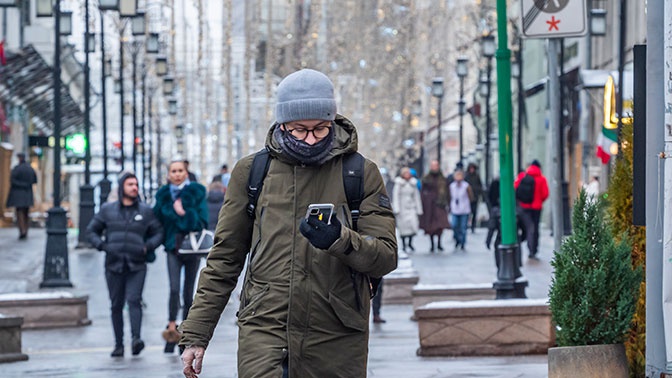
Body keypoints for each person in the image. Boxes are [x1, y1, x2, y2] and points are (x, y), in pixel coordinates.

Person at [178, 68, 397, 378]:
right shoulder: (252, 172)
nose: (310, 138)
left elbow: (386, 257)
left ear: (332, 121)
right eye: (299, 129)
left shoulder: (359, 173)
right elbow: (225, 258)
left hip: (337, 333)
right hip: (265, 327)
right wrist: (197, 334)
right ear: (281, 124)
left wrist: (339, 239)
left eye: (320, 128)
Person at [86, 172, 164, 357]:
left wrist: (147, 247)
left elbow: (158, 232)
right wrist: (103, 246)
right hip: (113, 264)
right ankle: (118, 344)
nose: (134, 187)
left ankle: (136, 339)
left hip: (137, 264)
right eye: (130, 184)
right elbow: (91, 231)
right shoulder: (107, 209)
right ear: (122, 188)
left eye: (136, 184)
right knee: (116, 304)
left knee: (134, 300)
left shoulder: (145, 211)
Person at [154, 160, 208, 354]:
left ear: (186, 173)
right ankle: (171, 329)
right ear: (168, 174)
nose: (177, 174)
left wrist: (183, 213)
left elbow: (202, 221)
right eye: (173, 171)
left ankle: (185, 333)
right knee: (174, 288)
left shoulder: (197, 192)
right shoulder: (162, 195)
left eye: (180, 171)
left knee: (188, 291)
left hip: (191, 248)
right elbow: (157, 221)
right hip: (172, 248)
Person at [514, 159, 549, 259]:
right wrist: (539, 200)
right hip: (536, 208)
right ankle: (533, 250)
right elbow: (545, 194)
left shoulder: (522, 176)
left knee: (527, 228)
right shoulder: (542, 179)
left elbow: (515, 188)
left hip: (524, 207)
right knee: (535, 229)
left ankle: (527, 244)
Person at [420, 160, 450, 252]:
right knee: (431, 226)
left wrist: (447, 202)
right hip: (429, 205)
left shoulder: (442, 178)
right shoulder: (426, 178)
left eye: (436, 166)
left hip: (440, 204)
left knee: (440, 224)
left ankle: (439, 243)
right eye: (433, 166)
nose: (434, 167)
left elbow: (447, 191)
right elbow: (422, 191)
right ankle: (432, 244)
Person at [6, 152, 37, 240]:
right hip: (27, 194)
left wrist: (21, 184)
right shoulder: (30, 169)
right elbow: (35, 180)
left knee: (19, 212)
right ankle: (25, 230)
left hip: (18, 194)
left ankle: (22, 230)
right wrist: (27, 184)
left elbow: (12, 180)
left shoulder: (17, 169)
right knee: (26, 213)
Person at [392, 167, 423, 253]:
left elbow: (417, 197)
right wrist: (396, 208)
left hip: (411, 207)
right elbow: (396, 196)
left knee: (412, 225)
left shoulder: (413, 183)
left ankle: (410, 242)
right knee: (403, 228)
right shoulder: (398, 183)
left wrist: (419, 209)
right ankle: (404, 244)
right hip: (402, 208)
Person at [447, 169, 473, 250]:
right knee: (454, 225)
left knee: (463, 227)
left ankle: (462, 242)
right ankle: (457, 239)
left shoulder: (466, 186)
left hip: (464, 209)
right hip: (455, 209)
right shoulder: (451, 186)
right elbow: (449, 197)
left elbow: (471, 197)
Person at [464, 163, 483, 233]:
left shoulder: (476, 176)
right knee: (467, 212)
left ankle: (473, 226)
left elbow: (480, 185)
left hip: (475, 196)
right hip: (467, 197)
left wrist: (479, 192)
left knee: (474, 212)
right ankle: (466, 225)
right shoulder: (467, 176)